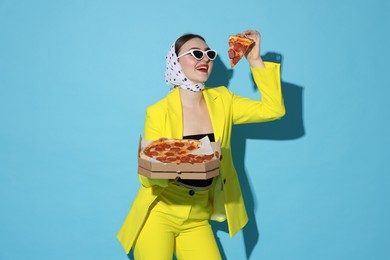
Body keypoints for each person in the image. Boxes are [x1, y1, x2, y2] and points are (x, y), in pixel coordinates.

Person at [117, 30, 285, 260]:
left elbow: (273, 109)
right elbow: (147, 178)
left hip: (198, 218)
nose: (204, 59)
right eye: (196, 53)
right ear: (175, 61)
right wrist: (184, 162)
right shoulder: (158, 112)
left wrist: (255, 60)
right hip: (160, 214)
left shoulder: (224, 101)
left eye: (209, 54)